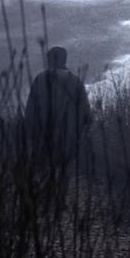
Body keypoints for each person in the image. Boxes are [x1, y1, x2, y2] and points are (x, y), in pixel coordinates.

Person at [25, 47, 91, 194]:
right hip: (68, 136)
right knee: (64, 170)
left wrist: (30, 135)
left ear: (49, 60)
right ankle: (60, 197)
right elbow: (86, 114)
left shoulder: (40, 79)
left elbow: (30, 112)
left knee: (44, 169)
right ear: (64, 60)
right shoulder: (75, 80)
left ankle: (45, 197)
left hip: (43, 134)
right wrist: (80, 134)